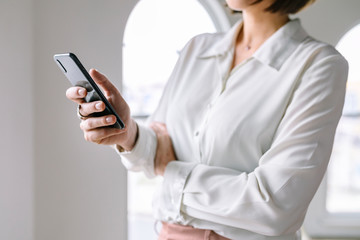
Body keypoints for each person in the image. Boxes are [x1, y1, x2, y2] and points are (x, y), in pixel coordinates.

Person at [66, 0, 348, 239]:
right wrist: (129, 134)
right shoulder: (196, 49)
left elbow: (276, 205)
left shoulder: (319, 65)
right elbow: (155, 152)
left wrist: (171, 170)